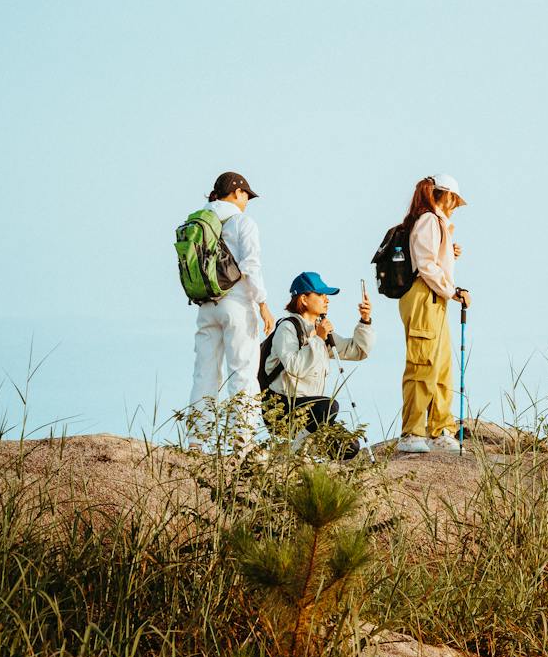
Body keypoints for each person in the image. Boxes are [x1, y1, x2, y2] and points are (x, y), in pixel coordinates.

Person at [189, 171, 274, 445]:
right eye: (247, 195)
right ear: (237, 192)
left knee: (204, 372)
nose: (247, 200)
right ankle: (242, 440)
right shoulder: (241, 221)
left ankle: (196, 441)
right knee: (243, 371)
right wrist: (263, 304)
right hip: (236, 304)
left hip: (206, 305)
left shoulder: (198, 221)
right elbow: (251, 265)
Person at [396, 174, 470, 453]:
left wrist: (449, 252)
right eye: (454, 200)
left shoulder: (434, 222)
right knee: (422, 363)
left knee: (441, 366)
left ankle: (440, 429)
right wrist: (451, 291)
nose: (455, 206)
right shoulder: (428, 219)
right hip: (424, 294)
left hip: (433, 296)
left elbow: (430, 259)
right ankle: (412, 433)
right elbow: (426, 265)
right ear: (446, 195)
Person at [262, 272, 374, 445]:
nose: (326, 299)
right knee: (328, 406)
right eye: (320, 294)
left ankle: (304, 450)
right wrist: (319, 339)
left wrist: (365, 321)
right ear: (304, 299)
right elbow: (294, 366)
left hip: (310, 411)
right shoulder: (287, 328)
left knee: (349, 445)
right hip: (280, 408)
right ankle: (293, 452)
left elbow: (357, 351)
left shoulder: (317, 330)